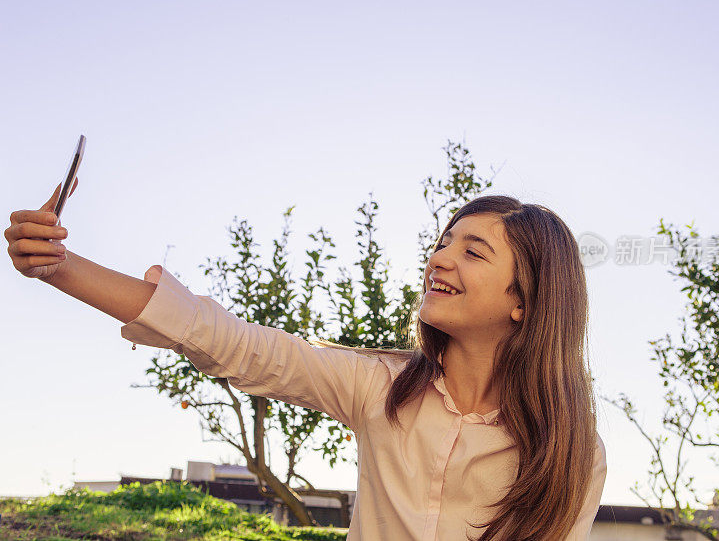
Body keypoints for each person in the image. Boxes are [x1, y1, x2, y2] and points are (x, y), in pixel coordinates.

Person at [6, 182, 606, 541]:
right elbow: (228, 341)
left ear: (525, 300)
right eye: (443, 243)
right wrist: (59, 266)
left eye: (473, 252)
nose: (441, 260)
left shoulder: (569, 451)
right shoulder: (380, 388)